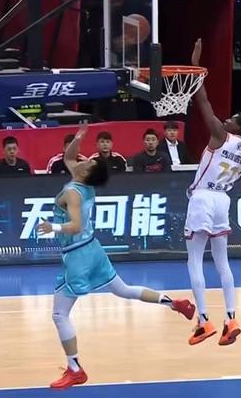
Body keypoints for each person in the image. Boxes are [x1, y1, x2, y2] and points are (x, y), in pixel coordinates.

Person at [36, 123, 196, 390]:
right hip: (93, 249)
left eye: (88, 161)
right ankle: (174, 303)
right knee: (124, 290)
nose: (84, 158)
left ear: (86, 172)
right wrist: (79, 137)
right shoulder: (83, 182)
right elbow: (69, 157)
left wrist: (52, 227)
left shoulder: (73, 192)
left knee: (59, 314)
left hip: (78, 255)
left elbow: (75, 225)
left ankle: (75, 369)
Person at [185, 38, 241, 346]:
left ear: (237, 127)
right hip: (223, 200)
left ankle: (203, 321)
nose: (227, 119)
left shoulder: (220, 134)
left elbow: (203, 102)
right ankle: (231, 317)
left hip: (203, 197)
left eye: (233, 119)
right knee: (222, 263)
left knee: (194, 260)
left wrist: (196, 68)